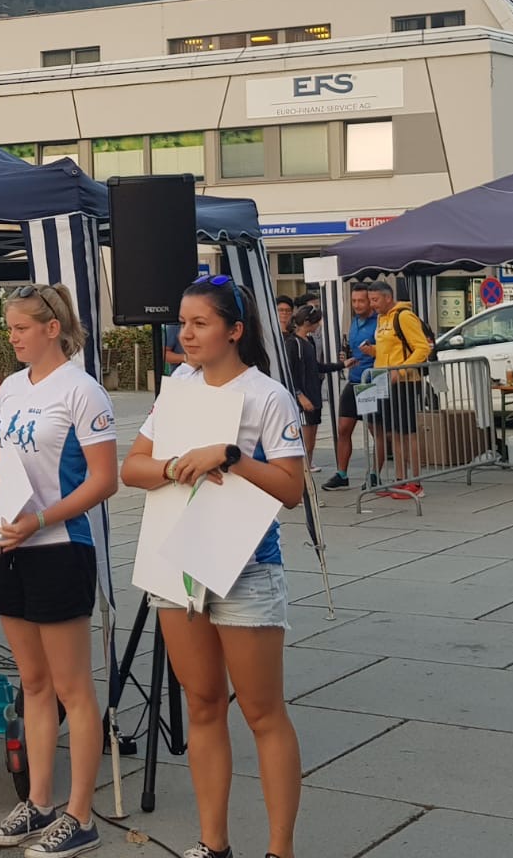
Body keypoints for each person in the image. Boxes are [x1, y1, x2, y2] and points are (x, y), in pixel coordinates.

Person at [121, 275, 306, 858]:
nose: (187, 334)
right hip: (176, 562)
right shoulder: (177, 389)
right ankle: (213, 843)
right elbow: (132, 467)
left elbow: (292, 489)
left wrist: (230, 457)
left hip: (245, 566)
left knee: (261, 711)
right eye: (184, 322)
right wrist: (176, 465)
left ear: (234, 330)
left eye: (200, 323)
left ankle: (279, 849)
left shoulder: (267, 396)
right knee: (202, 705)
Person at [0, 283, 117, 856]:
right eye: (9, 328)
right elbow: (0, 459)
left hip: (60, 546)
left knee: (72, 688)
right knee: (32, 683)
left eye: (20, 328)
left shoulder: (82, 390)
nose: (11, 338)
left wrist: (40, 520)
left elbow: (104, 480)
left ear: (52, 329)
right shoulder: (11, 388)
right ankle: (37, 803)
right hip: (10, 546)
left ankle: (79, 814)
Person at [367, 280, 433, 499]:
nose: (372, 304)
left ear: (388, 297)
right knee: (393, 432)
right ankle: (399, 479)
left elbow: (421, 348)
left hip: (405, 381)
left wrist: (401, 371)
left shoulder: (404, 316)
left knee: (407, 432)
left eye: (375, 299)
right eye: (370, 300)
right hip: (384, 379)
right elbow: (388, 348)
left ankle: (415, 482)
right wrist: (373, 351)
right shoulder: (381, 319)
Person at [323, 284, 378, 491]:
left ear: (370, 301)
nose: (357, 305)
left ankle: (374, 475)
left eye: (361, 301)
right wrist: (345, 356)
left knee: (375, 430)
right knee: (343, 428)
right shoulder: (354, 321)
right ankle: (342, 474)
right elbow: (354, 348)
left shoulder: (378, 322)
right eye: (354, 301)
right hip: (354, 378)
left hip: (370, 380)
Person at [291, 306, 340, 462]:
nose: (318, 325)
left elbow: (316, 366)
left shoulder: (309, 341)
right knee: (305, 442)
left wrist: (341, 365)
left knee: (311, 442)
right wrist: (300, 395)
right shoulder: (293, 343)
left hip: (313, 394)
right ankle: (303, 471)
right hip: (303, 396)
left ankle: (308, 468)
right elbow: (291, 372)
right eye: (316, 322)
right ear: (307, 322)